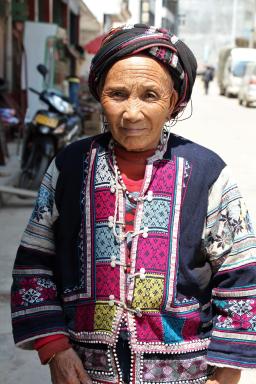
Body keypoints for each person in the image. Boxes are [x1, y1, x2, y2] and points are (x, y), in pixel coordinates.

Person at [11, 24, 256, 384]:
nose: (132, 113)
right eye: (118, 94)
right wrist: (55, 348)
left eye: (150, 95)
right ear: (100, 96)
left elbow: (241, 274)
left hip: (187, 374)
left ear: (173, 101)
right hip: (85, 371)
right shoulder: (69, 165)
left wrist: (227, 372)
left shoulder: (207, 172)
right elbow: (35, 262)